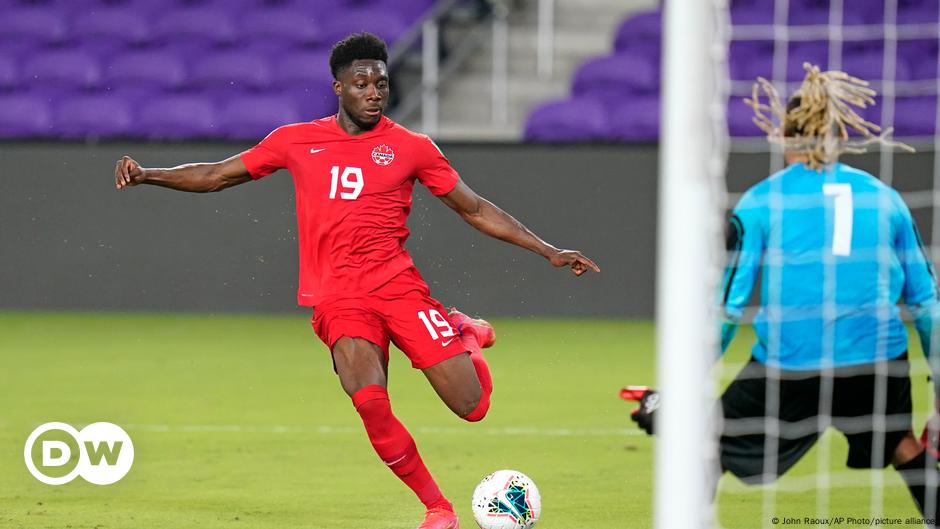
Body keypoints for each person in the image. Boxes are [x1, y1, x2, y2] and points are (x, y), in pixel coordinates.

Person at [114, 32, 598, 529]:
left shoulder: (411, 148)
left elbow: (473, 208)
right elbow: (216, 174)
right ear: (338, 88)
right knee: (368, 397)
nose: (373, 92)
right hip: (338, 298)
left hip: (397, 287)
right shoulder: (295, 141)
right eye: (361, 83)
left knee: (473, 408)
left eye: (381, 84)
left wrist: (547, 250)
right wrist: (149, 174)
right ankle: (438, 508)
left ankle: (466, 333)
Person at [630, 64, 940, 523]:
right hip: (876, 358)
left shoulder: (760, 201)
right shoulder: (886, 197)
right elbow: (927, 306)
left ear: (783, 135)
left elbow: (729, 310)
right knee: (903, 444)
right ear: (839, 136)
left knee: (703, 445)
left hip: (792, 362)